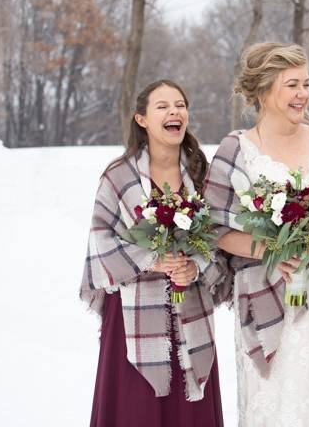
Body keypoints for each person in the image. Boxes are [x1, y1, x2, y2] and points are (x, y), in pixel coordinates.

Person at [203, 42, 309, 426]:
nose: (303, 94)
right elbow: (214, 228)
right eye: (292, 85)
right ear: (264, 89)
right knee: (272, 404)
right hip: (263, 296)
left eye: (306, 83)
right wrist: (272, 247)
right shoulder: (236, 149)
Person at [81, 79, 225, 427]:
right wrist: (152, 259)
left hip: (191, 313)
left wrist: (195, 267)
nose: (174, 112)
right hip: (133, 319)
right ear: (142, 119)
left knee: (188, 411)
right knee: (136, 411)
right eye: (163, 106)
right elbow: (99, 246)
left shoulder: (201, 175)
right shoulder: (118, 177)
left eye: (180, 105)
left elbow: (221, 241)